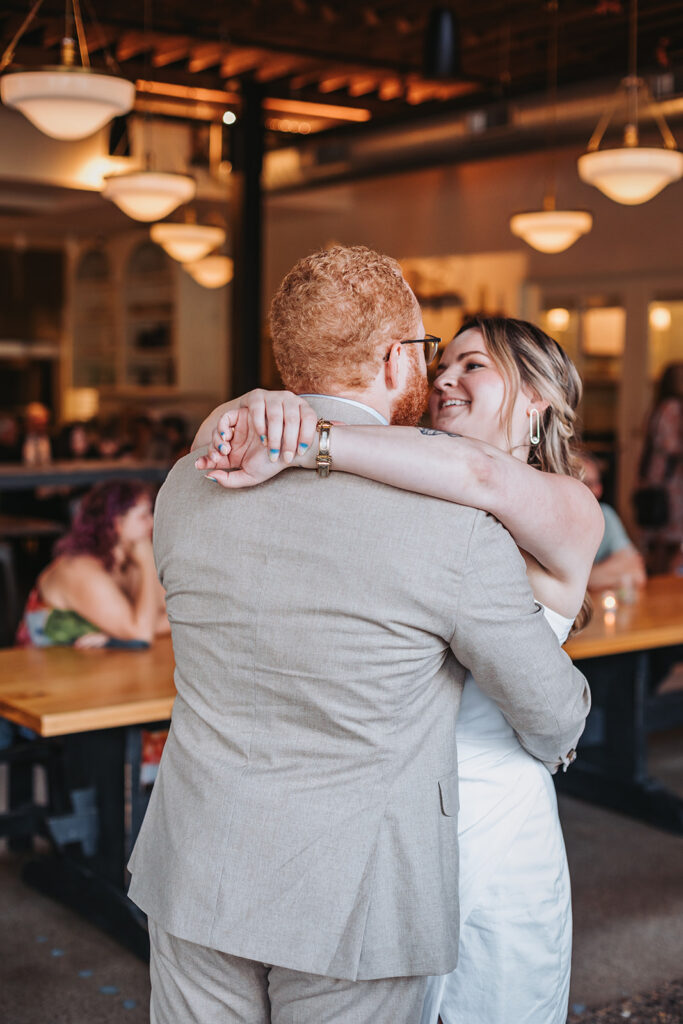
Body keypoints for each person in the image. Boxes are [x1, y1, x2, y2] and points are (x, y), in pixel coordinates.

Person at [128, 245, 591, 1024]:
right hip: (363, 875)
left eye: (466, 364)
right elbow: (552, 712)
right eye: (428, 356)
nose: (438, 376)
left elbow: (478, 477)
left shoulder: (190, 481)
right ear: (390, 360)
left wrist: (277, 424)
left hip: (201, 853)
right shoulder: (446, 525)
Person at [16, 479, 169, 649]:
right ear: (116, 524)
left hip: (99, 666)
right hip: (41, 669)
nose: (152, 523)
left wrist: (114, 637)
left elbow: (178, 613)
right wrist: (148, 562)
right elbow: (141, 634)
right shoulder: (78, 569)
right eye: (143, 516)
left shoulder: (130, 563)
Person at [636, 361, 683, 574]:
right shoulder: (672, 408)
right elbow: (669, 444)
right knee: (666, 538)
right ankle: (662, 581)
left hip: (656, 477)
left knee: (659, 536)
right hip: (668, 481)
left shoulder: (659, 406)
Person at [578, 450, 646, 594]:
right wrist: (611, 570)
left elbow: (637, 572)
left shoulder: (606, 515)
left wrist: (570, 582)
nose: (590, 490)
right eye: (583, 483)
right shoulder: (554, 523)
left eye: (593, 483)